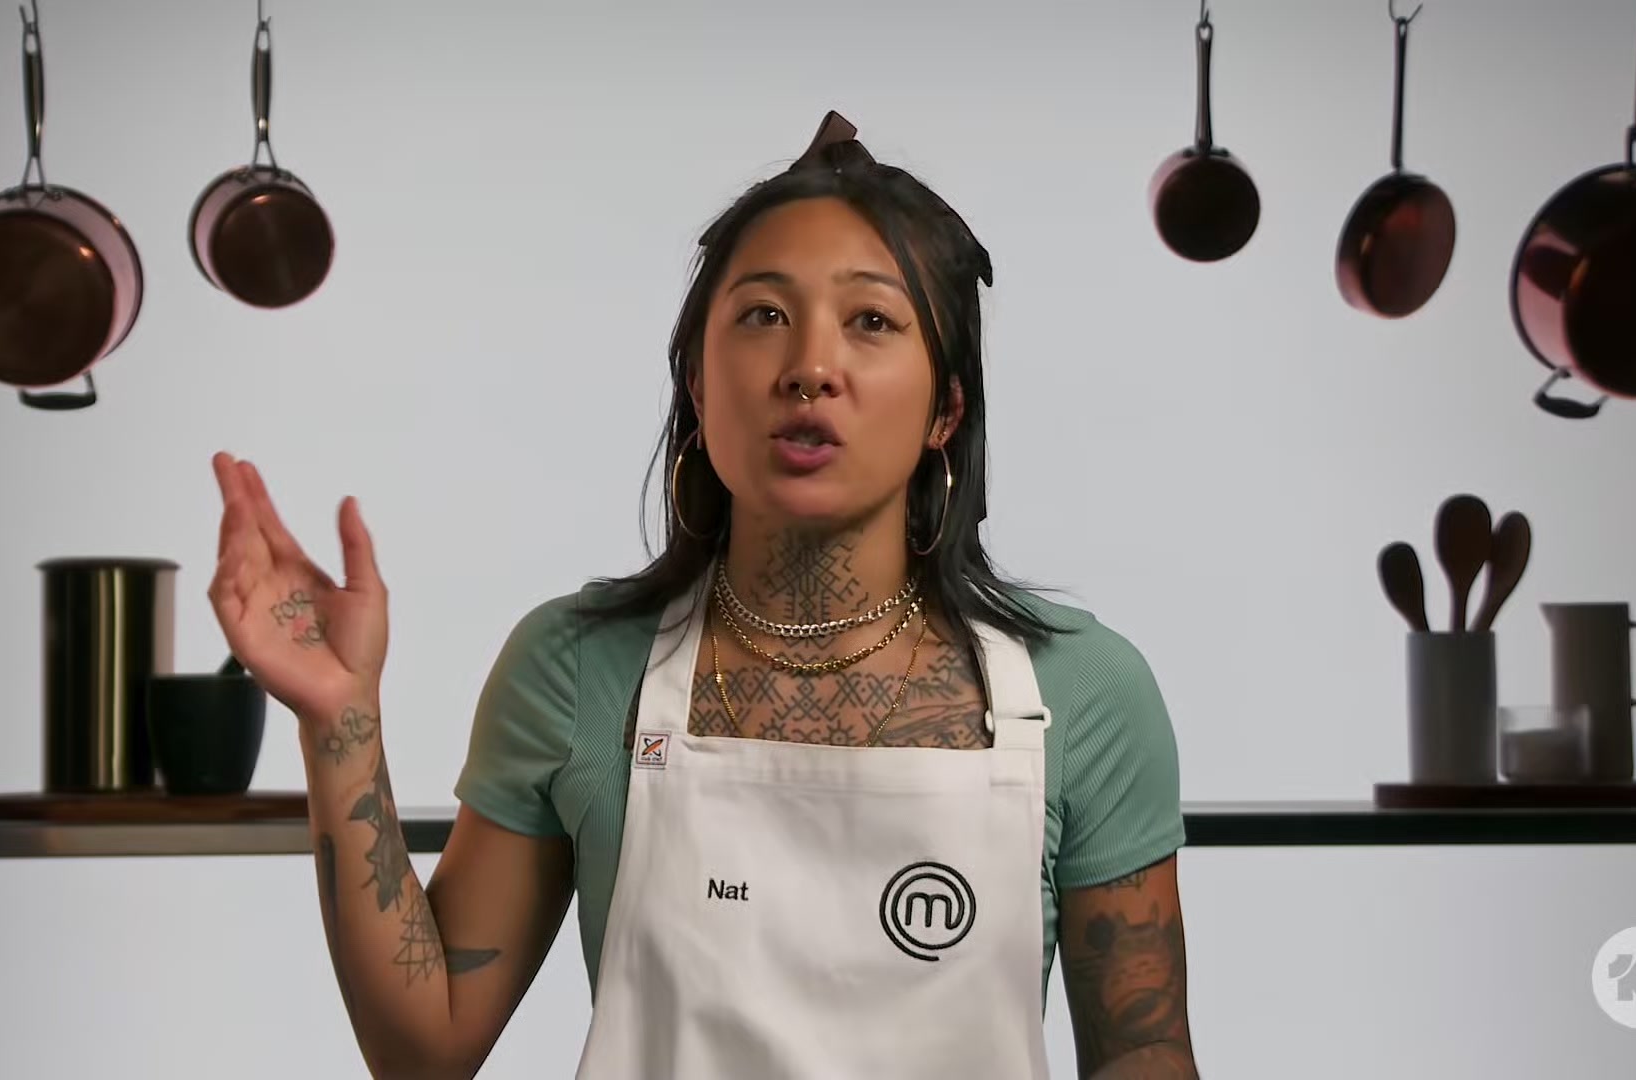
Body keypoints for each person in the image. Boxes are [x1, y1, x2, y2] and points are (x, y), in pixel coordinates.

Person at [208, 110, 1196, 1080]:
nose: (811, 369)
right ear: (695, 378)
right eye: (764, 315)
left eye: (871, 321)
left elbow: (1143, 1055)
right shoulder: (574, 669)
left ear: (946, 407)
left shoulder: (1087, 694)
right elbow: (423, 1053)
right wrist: (340, 724)